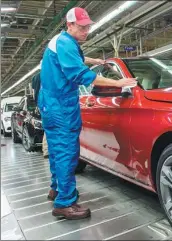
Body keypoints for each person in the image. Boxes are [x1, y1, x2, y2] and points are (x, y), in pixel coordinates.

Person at [38, 7, 137, 220]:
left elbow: (73, 61)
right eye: (82, 27)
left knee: (57, 150)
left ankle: (56, 189)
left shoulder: (62, 42)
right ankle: (64, 203)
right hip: (61, 106)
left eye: (88, 27)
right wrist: (117, 82)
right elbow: (81, 75)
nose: (86, 31)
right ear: (70, 25)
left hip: (52, 104)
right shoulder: (65, 43)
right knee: (67, 152)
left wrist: (94, 61)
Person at [31, 71, 49, 159]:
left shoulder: (35, 77)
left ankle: (46, 150)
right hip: (49, 103)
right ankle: (47, 150)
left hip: (41, 104)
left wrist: (37, 104)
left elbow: (33, 92)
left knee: (47, 127)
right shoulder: (49, 74)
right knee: (51, 127)